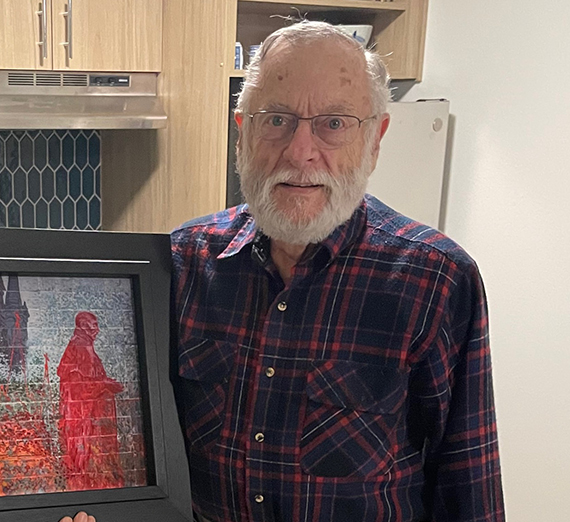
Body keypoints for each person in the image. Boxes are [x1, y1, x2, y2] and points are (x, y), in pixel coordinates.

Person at [59, 20, 504, 522]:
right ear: (242, 131)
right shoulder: (182, 265)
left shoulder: (435, 281)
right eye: (276, 120)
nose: (300, 151)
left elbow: (469, 494)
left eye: (334, 123)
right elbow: (145, 461)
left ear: (375, 139)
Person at [57, 311, 125, 492]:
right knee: (88, 462)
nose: (97, 329)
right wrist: (108, 384)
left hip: (83, 418)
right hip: (84, 420)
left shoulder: (81, 346)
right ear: (83, 326)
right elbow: (83, 388)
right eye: (93, 325)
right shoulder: (81, 347)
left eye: (96, 325)